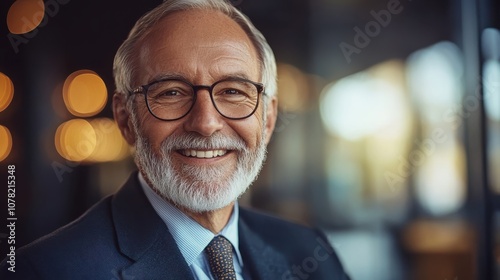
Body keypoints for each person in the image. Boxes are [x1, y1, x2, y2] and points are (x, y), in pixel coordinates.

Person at [1, 0, 350, 279]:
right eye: (171, 93)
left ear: (269, 117)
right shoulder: (45, 271)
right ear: (126, 119)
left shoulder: (310, 253)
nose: (206, 123)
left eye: (232, 91)